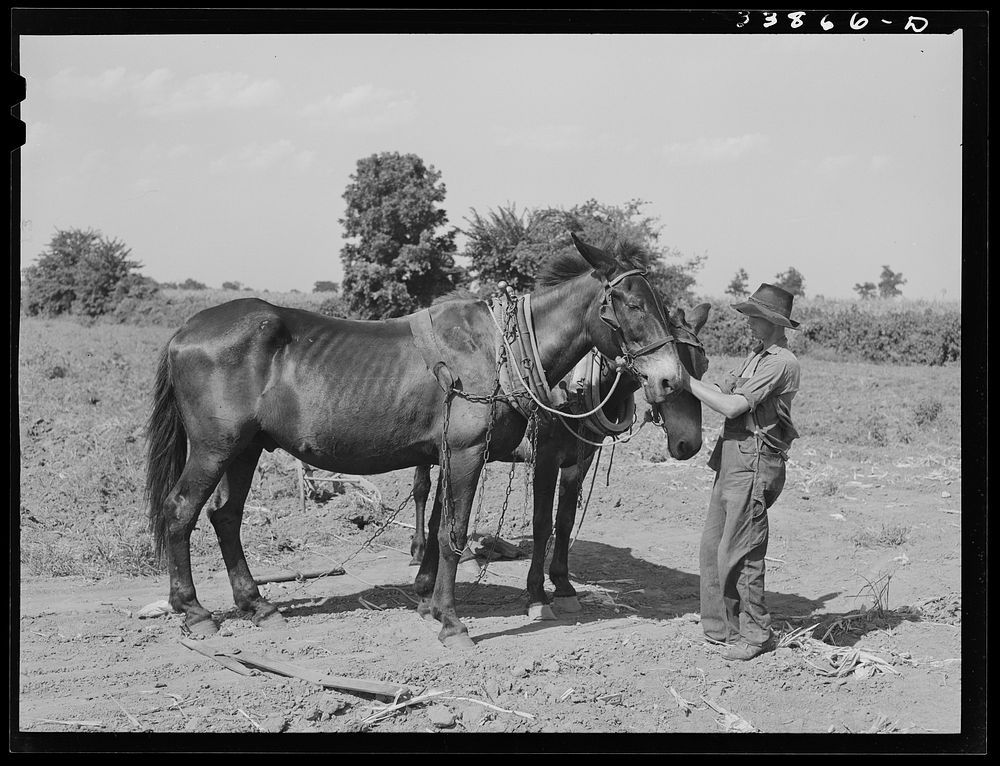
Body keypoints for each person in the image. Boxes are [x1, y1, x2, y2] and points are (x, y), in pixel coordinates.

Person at [681, 283, 801, 661]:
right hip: (732, 459)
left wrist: (685, 383)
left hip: (754, 462)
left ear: (771, 321)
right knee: (713, 546)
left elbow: (733, 406)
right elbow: (720, 386)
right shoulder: (755, 356)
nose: (747, 322)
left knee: (742, 551)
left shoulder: (781, 362)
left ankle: (755, 633)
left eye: (753, 316)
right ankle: (720, 626)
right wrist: (678, 375)